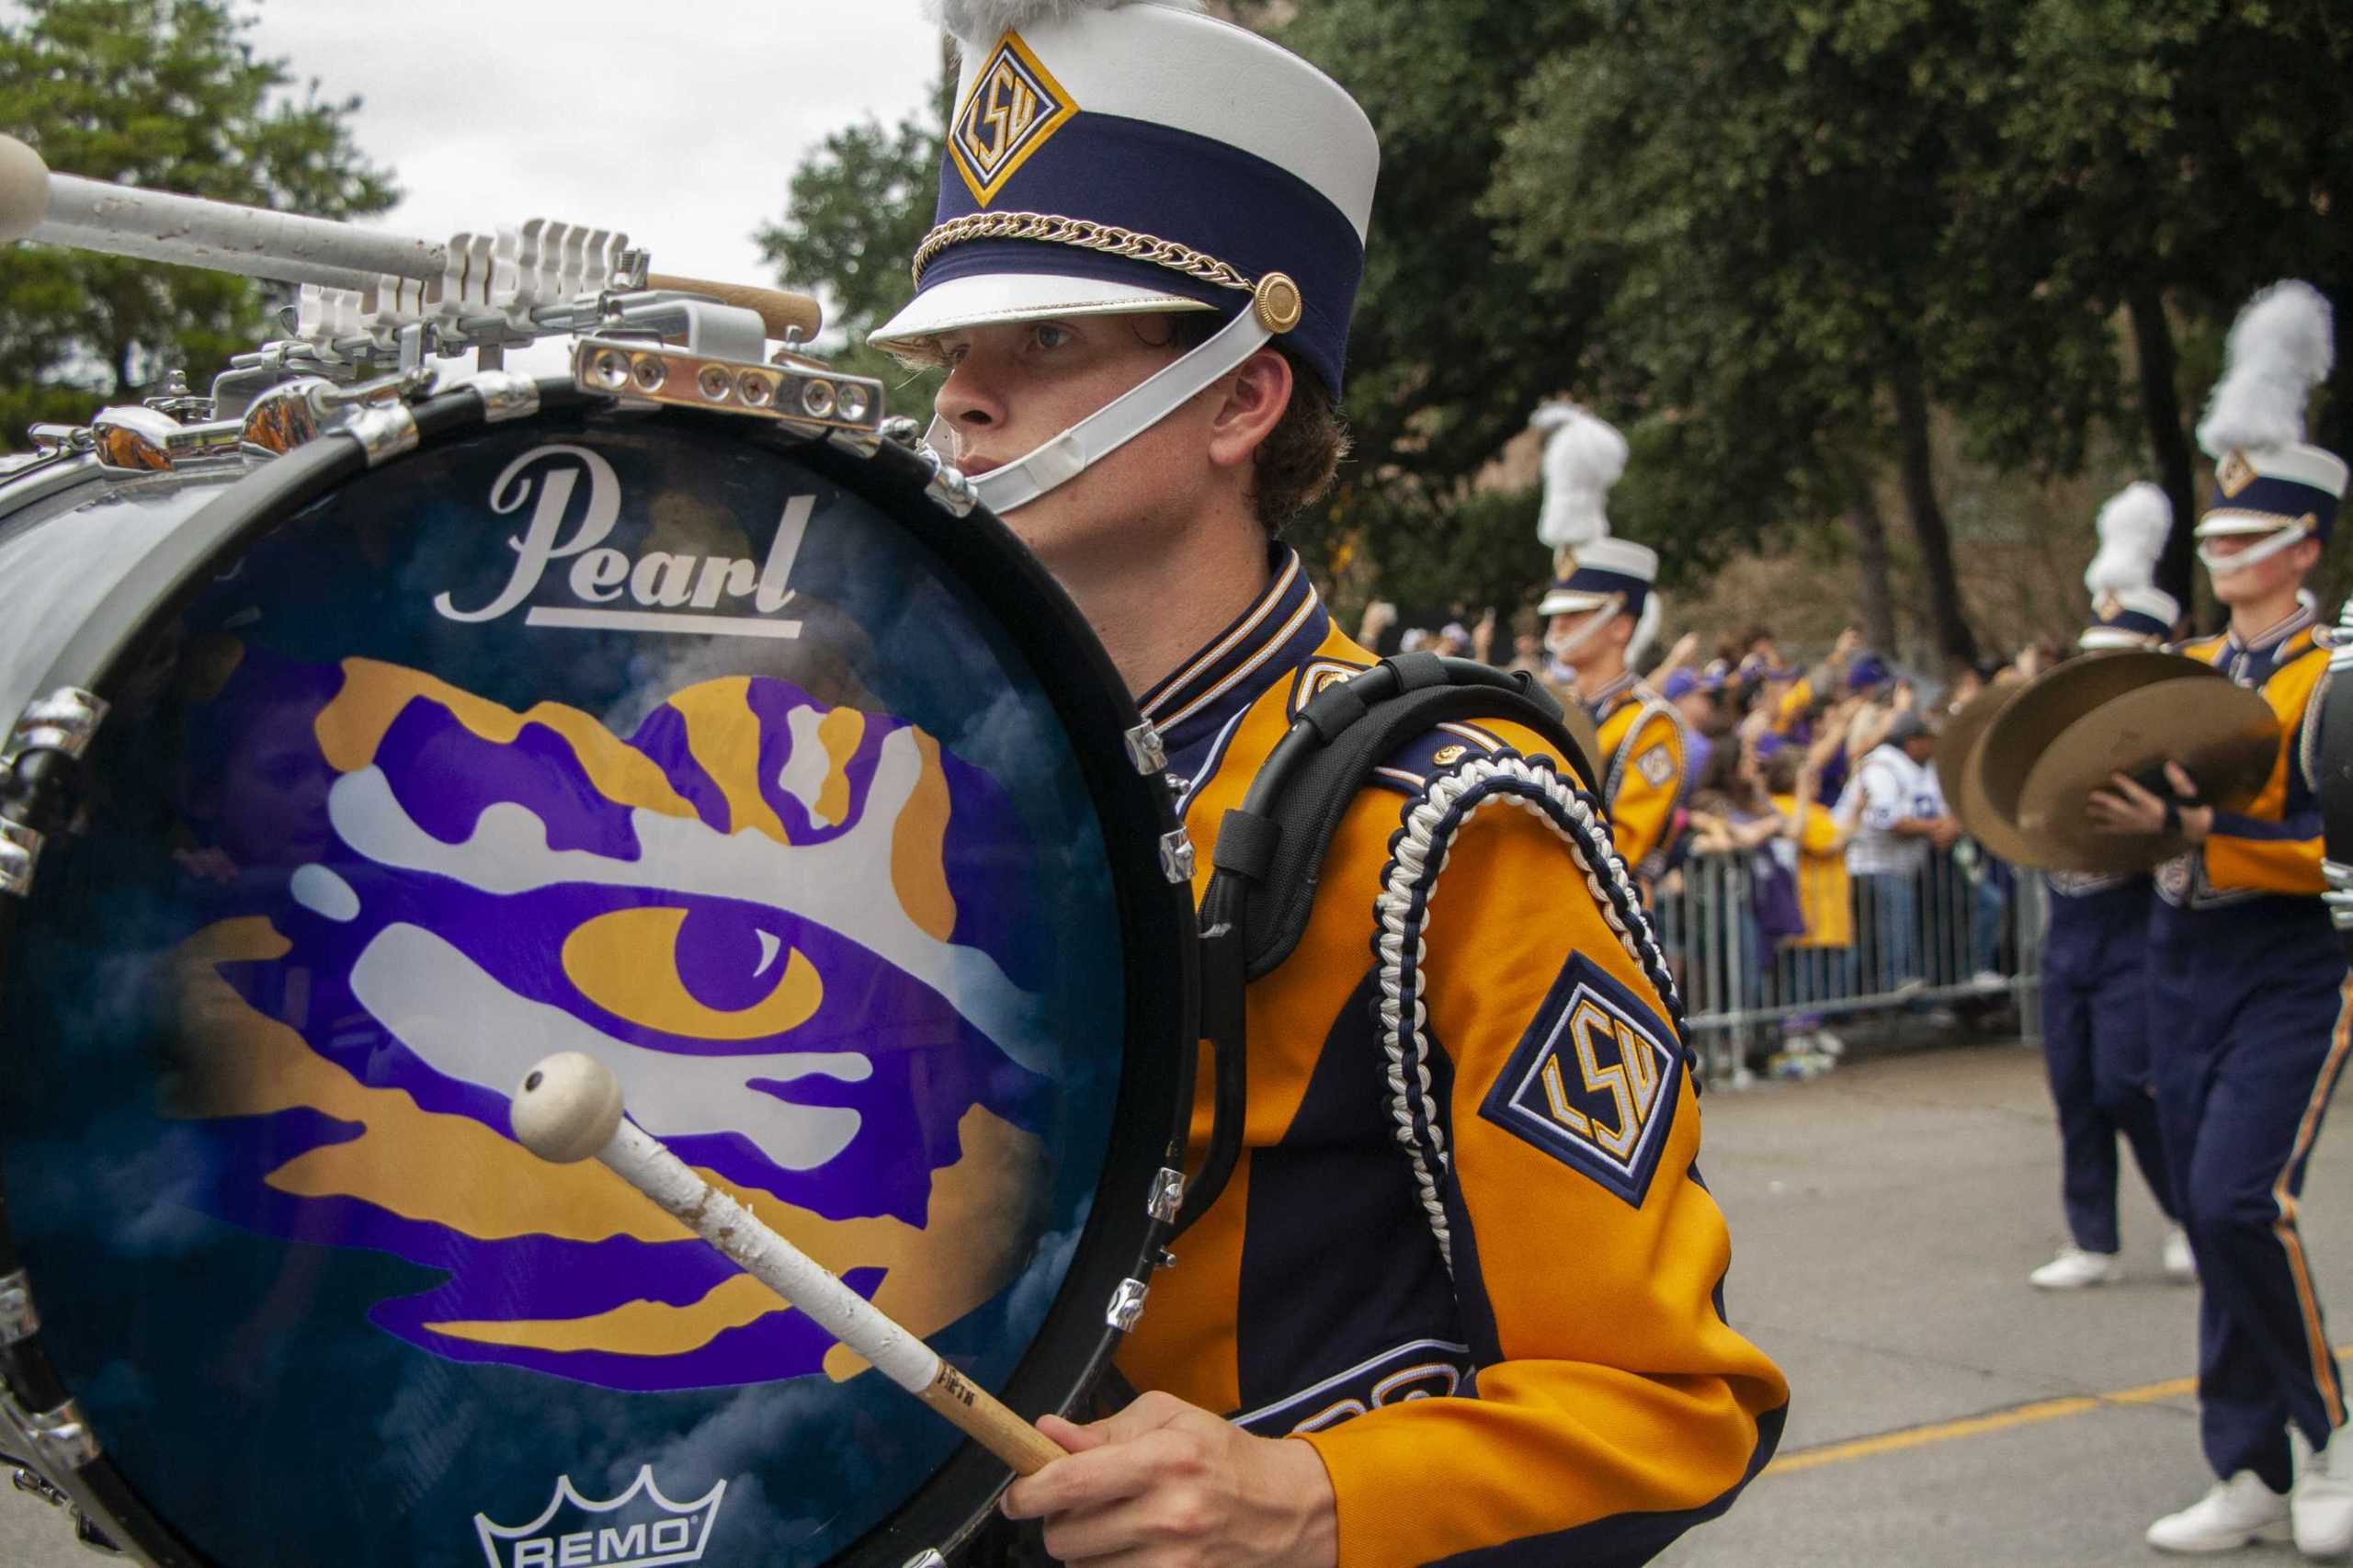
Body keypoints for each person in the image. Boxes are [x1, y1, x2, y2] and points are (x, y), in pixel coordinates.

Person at [867, 4, 1787, 1563]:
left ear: (1243, 397)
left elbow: (1668, 1401)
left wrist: (1320, 1498)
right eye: (954, 351)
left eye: (1049, 343)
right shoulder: (921, 781)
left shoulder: (1447, 817)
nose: (964, 399)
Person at [2084, 282, 2352, 1558]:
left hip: (2293, 962)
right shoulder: (2187, 673)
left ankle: (2332, 1432)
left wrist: (2209, 838)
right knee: (2203, 1190)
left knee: (2247, 1199)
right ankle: (2244, 1460)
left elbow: (2333, 859)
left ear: (2305, 542)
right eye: (2220, 530)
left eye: (2252, 533)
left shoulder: (2335, 679)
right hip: (2177, 953)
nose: (2224, 551)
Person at [2027, 482, 2188, 1292]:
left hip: (2132, 921)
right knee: (2075, 1086)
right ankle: (2091, 1236)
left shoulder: (2179, 735)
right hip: (2069, 921)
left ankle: (2186, 1213)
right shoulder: (2067, 734)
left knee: (2128, 1079)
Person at [1845, 710, 1960, 994]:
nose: (1934, 744)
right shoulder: (1882, 766)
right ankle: (1894, 983)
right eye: (1928, 739)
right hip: (1870, 863)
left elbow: (1947, 810)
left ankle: (1943, 986)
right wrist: (1936, 828)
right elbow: (1889, 820)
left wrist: (1952, 826)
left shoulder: (1926, 768)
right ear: (1911, 741)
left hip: (1908, 864)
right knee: (1894, 922)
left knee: (1973, 902)